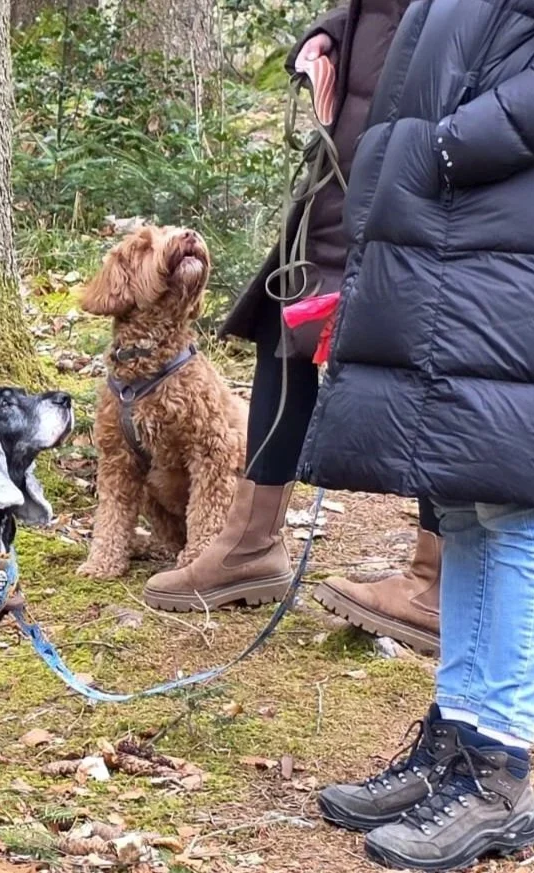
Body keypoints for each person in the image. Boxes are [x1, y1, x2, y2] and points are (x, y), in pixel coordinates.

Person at [299, 1, 534, 868]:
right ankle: (456, 745)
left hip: (522, 235)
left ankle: (499, 774)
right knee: (464, 501)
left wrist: (448, 145)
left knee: (514, 506)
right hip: (458, 235)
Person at [143, 0, 442, 659]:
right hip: (352, 155)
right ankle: (249, 543)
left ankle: (437, 578)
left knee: (437, 354)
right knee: (286, 322)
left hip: (423, 166)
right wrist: (327, 36)